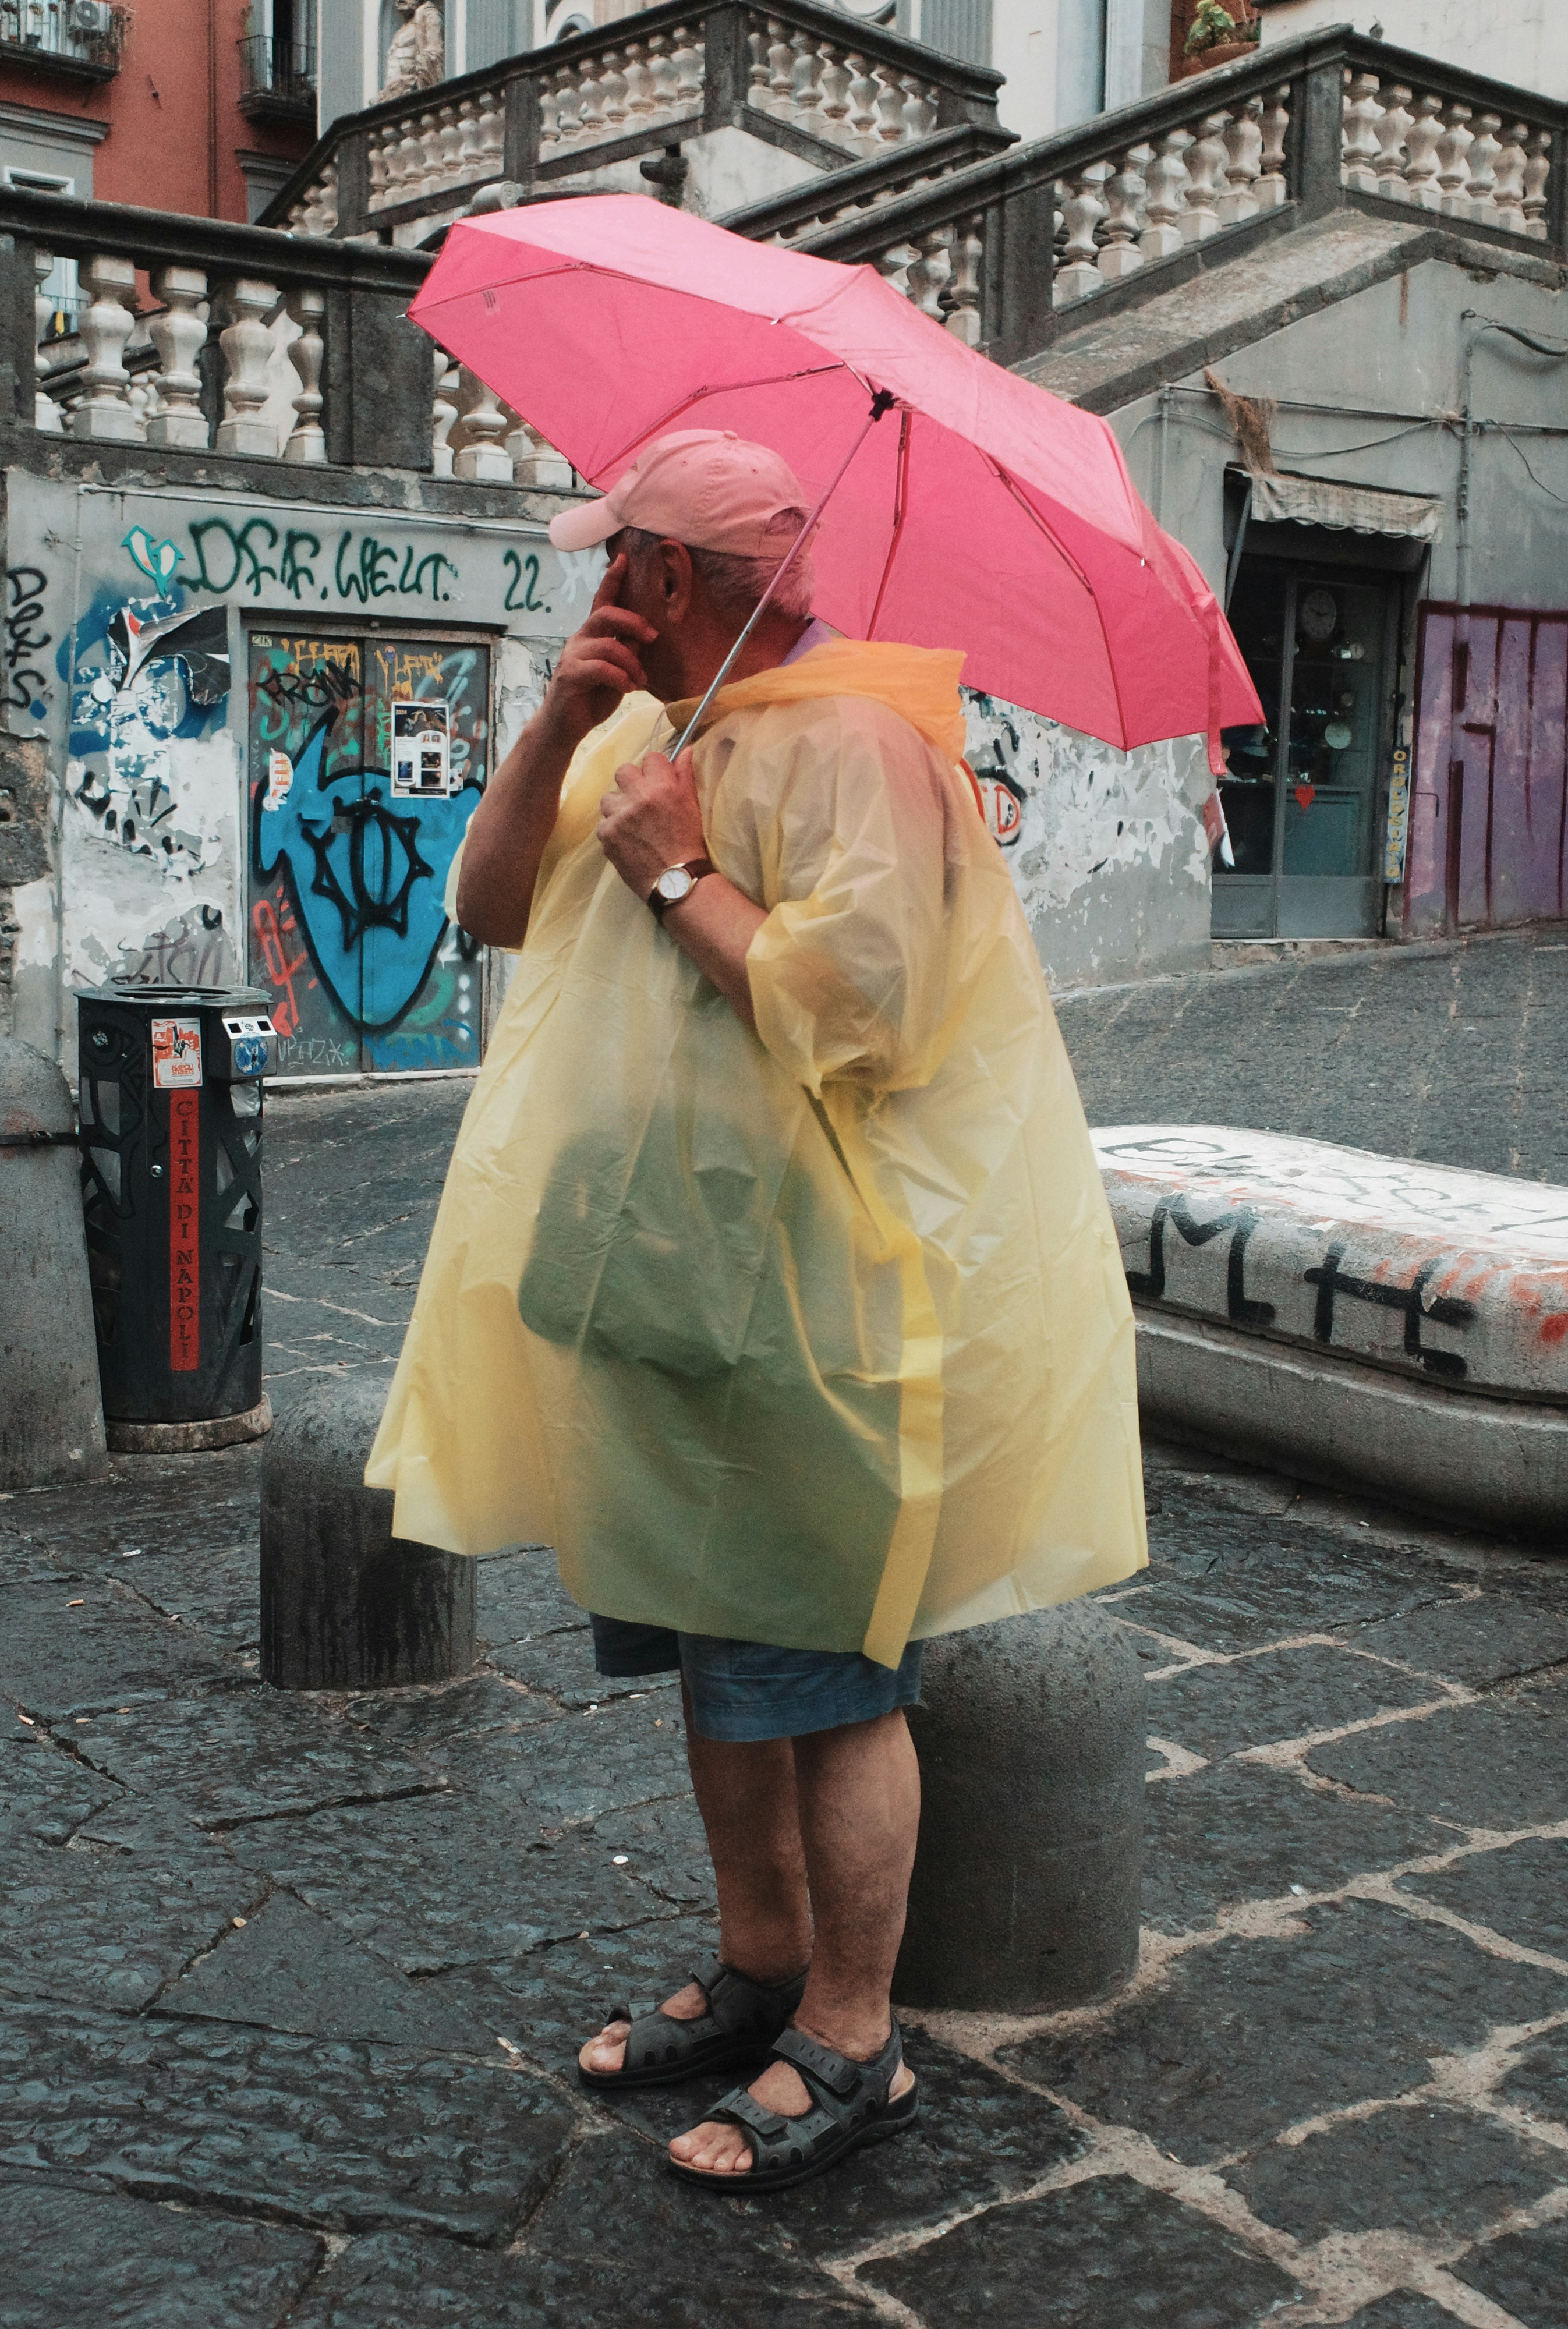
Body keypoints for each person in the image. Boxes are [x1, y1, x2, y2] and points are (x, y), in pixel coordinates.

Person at [366, 431, 1144, 2193]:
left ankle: (856, 2039)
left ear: (691, 577)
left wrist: (668, 872)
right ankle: (757, 1962)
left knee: (831, 1672)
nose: (601, 586)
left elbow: (862, 1014)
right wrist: (565, 732)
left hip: (816, 1292)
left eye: (623, 559)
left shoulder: (863, 746)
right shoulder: (658, 731)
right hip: (653, 1275)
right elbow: (486, 907)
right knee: (714, 1651)